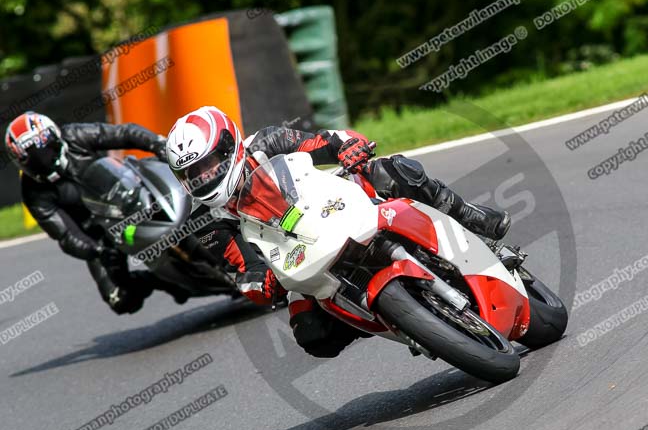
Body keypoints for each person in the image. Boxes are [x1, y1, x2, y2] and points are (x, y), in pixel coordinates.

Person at [166, 106, 511, 357]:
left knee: (391, 172)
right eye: (192, 174)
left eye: (208, 165)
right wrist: (260, 284)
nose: (204, 177)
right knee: (311, 336)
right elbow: (244, 267)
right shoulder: (205, 221)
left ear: (229, 148)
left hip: (334, 205)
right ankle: (400, 319)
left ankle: (467, 214)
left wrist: (349, 148)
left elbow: (326, 142)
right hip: (298, 259)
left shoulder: (268, 142)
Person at [4, 111, 181, 314]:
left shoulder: (75, 135)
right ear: (21, 163)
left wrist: (157, 144)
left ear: (55, 137)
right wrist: (97, 251)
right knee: (119, 300)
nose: (44, 160)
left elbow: (125, 133)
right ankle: (164, 281)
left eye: (46, 150)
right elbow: (65, 235)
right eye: (34, 159)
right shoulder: (33, 192)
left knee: (176, 186)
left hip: (129, 195)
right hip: (101, 234)